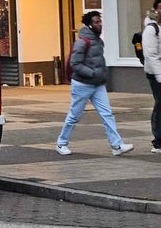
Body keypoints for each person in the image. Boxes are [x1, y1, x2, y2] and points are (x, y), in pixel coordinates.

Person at [56, 11, 134, 156]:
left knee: (107, 114)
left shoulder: (98, 41)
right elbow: (75, 63)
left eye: (100, 21)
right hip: (83, 85)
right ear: (90, 25)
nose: (100, 24)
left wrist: (100, 75)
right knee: (74, 115)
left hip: (97, 85)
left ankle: (117, 146)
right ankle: (61, 143)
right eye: (96, 22)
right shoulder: (82, 42)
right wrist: (92, 73)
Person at [142, 9, 161, 154]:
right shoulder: (151, 29)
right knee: (160, 105)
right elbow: (150, 55)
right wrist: (159, 75)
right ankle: (158, 142)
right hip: (156, 74)